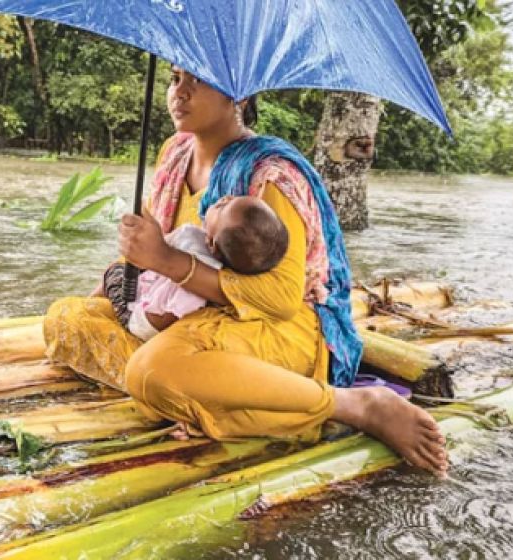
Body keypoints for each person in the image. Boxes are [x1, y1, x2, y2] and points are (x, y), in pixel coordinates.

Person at [43, 67, 449, 476]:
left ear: (238, 96)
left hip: (272, 329)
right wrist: (112, 287)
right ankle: (208, 396)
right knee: (66, 318)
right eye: (174, 79)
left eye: (197, 81)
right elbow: (149, 256)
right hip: (187, 317)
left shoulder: (270, 175)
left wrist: (167, 262)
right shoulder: (174, 154)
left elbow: (280, 299)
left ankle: (349, 404)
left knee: (152, 371)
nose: (178, 94)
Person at [104, 195, 289, 341]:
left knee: (113, 273)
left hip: (141, 319)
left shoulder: (202, 280)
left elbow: (163, 320)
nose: (226, 198)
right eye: (233, 198)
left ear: (212, 244)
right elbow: (156, 247)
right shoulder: (194, 236)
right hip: (148, 287)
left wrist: (136, 318)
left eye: (222, 207)